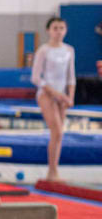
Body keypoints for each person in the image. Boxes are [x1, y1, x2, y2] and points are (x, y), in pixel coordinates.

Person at [32, 17, 76, 182]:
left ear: (65, 31)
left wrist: (70, 97)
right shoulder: (43, 50)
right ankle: (52, 171)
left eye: (62, 28)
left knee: (58, 135)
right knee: (57, 130)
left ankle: (54, 170)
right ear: (49, 31)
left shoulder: (69, 50)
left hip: (63, 96)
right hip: (46, 94)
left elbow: (71, 76)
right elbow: (36, 78)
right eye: (55, 28)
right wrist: (55, 93)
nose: (58, 32)